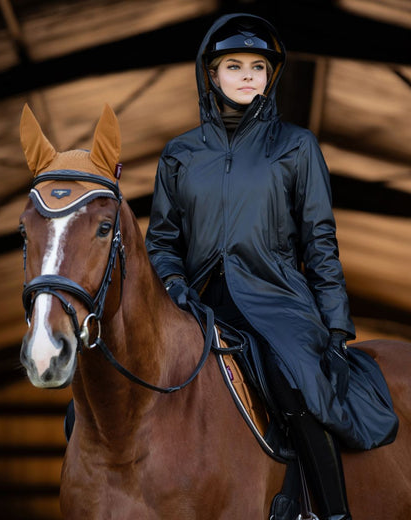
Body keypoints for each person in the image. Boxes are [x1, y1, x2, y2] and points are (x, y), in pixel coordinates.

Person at [145, 13, 398, 520]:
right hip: (198, 303)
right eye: (233, 65)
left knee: (296, 389)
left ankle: (330, 512)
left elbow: (319, 241)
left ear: (269, 76)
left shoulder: (297, 146)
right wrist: (173, 283)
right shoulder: (180, 155)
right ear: (210, 74)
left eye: (258, 67)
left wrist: (334, 322)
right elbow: (162, 239)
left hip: (276, 302)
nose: (246, 76)